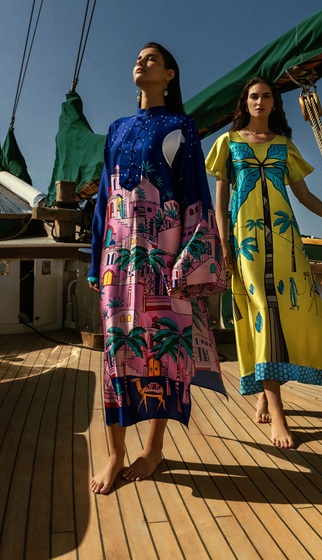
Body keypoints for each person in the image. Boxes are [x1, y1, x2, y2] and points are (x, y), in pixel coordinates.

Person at [88, 42, 226, 494]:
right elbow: (104, 199)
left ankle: (153, 449)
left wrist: (191, 260)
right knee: (115, 351)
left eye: (152, 58)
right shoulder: (117, 128)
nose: (141, 61)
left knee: (162, 352)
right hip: (117, 257)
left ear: (169, 75)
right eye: (139, 57)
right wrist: (95, 260)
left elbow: (195, 196)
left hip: (163, 260)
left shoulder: (182, 127)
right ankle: (114, 454)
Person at [205, 77, 322, 449]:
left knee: (291, 315)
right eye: (253, 96)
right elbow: (220, 200)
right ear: (245, 103)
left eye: (266, 96)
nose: (259, 101)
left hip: (285, 241)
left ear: (274, 103)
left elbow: (305, 197)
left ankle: (267, 391)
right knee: (263, 314)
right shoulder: (228, 143)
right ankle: (278, 412)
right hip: (246, 243)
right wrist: (223, 243)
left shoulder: (283, 146)